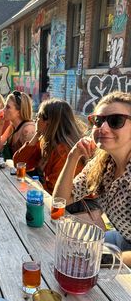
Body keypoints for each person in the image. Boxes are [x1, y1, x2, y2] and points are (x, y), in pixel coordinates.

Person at [53, 91, 131, 253]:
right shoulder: (102, 163)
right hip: (121, 238)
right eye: (98, 120)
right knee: (59, 243)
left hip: (125, 252)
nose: (103, 128)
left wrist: (103, 259)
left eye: (115, 121)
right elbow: (60, 201)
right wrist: (72, 157)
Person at [13, 98, 85, 194]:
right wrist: (37, 134)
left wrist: (31, 188)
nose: (35, 120)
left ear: (48, 122)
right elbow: (19, 163)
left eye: (38, 116)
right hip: (59, 198)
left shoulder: (63, 150)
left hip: (73, 205)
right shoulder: (47, 142)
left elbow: (54, 190)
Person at [0, 90, 35, 159]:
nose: (3, 110)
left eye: (8, 107)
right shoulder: (12, 127)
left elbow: (30, 161)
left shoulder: (28, 130)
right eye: (5, 106)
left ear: (19, 112)